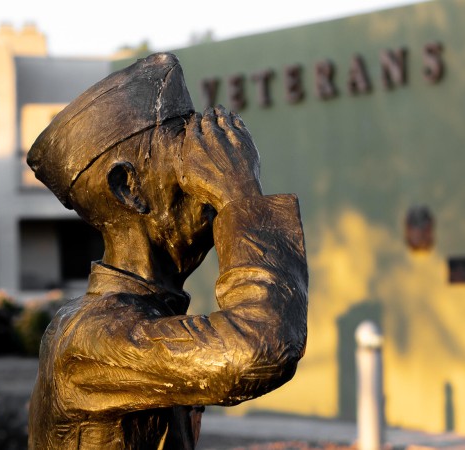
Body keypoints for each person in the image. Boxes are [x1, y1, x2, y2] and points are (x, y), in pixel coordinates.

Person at [26, 53, 308, 450]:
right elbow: (260, 349)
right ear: (129, 188)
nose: (206, 185)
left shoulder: (146, 314)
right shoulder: (91, 335)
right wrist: (240, 197)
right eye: (189, 165)